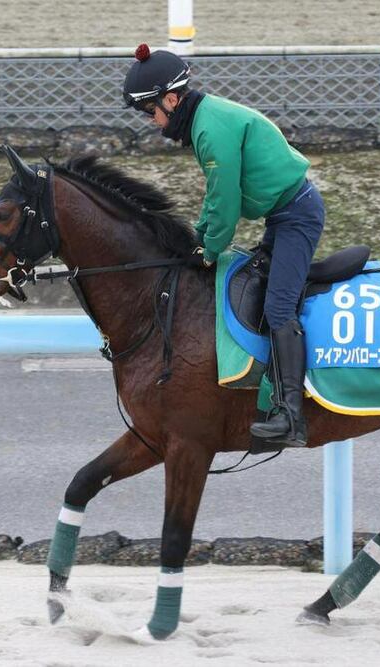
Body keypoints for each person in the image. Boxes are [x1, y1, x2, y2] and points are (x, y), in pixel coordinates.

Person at [122, 44, 325, 449]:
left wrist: (209, 249)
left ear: (172, 99)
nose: (152, 121)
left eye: (151, 110)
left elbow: (226, 202)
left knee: (279, 307)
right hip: (282, 215)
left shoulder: (209, 130)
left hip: (297, 216)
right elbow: (216, 198)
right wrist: (198, 238)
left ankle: (291, 417)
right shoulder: (204, 121)